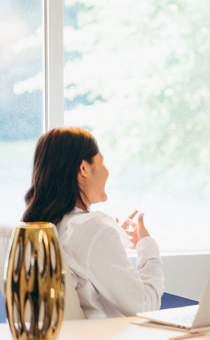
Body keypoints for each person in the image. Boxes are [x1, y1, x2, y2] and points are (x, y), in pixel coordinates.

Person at [22, 127, 164, 318]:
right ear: (83, 169)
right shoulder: (93, 229)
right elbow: (145, 306)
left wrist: (112, 242)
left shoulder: (46, 228)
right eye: (102, 161)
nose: (107, 171)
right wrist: (147, 246)